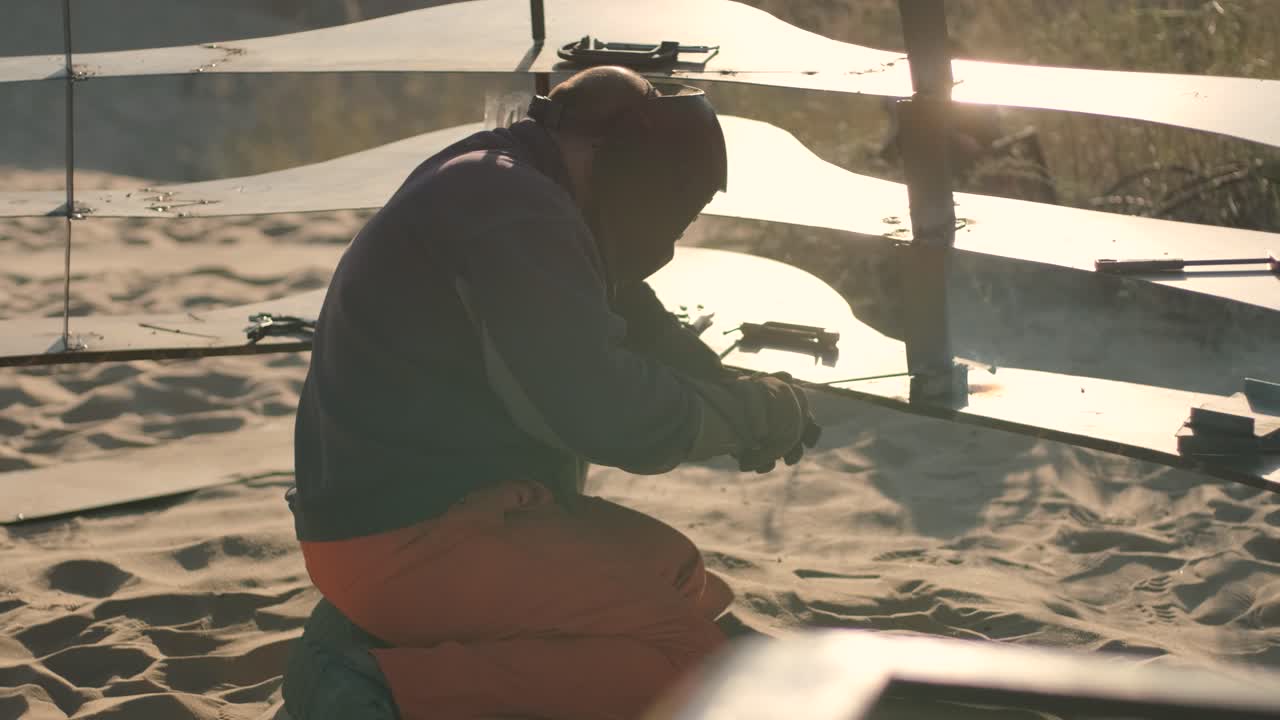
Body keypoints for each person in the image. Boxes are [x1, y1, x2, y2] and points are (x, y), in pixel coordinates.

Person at [280, 66, 819, 720]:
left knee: (676, 573)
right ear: (618, 162)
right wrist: (748, 417)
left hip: (425, 519)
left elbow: (614, 310)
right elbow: (604, 414)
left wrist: (730, 392)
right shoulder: (512, 207)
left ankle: (369, 639)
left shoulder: (505, 178)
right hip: (406, 540)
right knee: (697, 669)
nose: (667, 239)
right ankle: (365, 689)